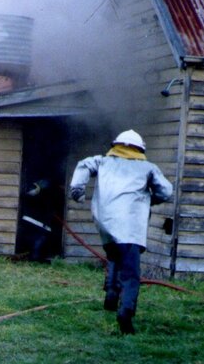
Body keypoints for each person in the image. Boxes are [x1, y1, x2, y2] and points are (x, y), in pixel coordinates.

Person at [69, 130, 172, 334]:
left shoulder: (102, 162)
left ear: (116, 146)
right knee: (131, 274)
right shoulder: (148, 168)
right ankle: (126, 314)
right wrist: (152, 199)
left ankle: (110, 298)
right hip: (131, 227)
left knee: (114, 256)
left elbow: (83, 165)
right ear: (140, 149)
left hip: (105, 224)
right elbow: (166, 191)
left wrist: (77, 192)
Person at [20, 178, 59, 263]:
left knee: (37, 238)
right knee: (39, 238)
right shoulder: (44, 195)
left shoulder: (43, 194)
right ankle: (34, 257)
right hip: (37, 223)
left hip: (31, 220)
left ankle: (34, 256)